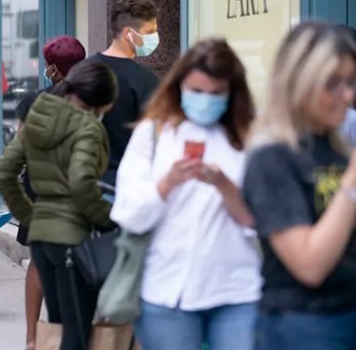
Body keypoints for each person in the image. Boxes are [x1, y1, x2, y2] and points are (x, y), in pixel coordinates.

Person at [243, 21, 356, 349]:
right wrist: (355, 183)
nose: (348, 94)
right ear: (299, 82)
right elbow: (309, 265)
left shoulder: (335, 147)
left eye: (352, 81)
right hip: (308, 325)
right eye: (333, 83)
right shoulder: (272, 156)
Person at [110, 39, 261, 350]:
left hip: (237, 289)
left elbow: (262, 220)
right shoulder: (154, 133)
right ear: (179, 86)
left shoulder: (247, 139)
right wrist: (166, 184)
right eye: (196, 91)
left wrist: (224, 186)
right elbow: (128, 213)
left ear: (232, 93)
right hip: (167, 288)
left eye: (216, 93)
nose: (205, 100)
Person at [0, 60, 117, 350]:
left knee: (60, 326)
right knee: (76, 334)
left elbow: (3, 172)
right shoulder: (87, 127)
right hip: (72, 240)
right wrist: (108, 221)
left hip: (41, 239)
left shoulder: (37, 119)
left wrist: (30, 216)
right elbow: (81, 182)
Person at [13, 35, 86, 350]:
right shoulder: (93, 99)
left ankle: (33, 337)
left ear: (55, 69)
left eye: (48, 65)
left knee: (39, 261)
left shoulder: (35, 101)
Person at [88, 0, 160, 186]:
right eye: (150, 32)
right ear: (128, 33)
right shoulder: (147, 81)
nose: (155, 37)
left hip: (82, 186)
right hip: (126, 186)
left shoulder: (81, 71)